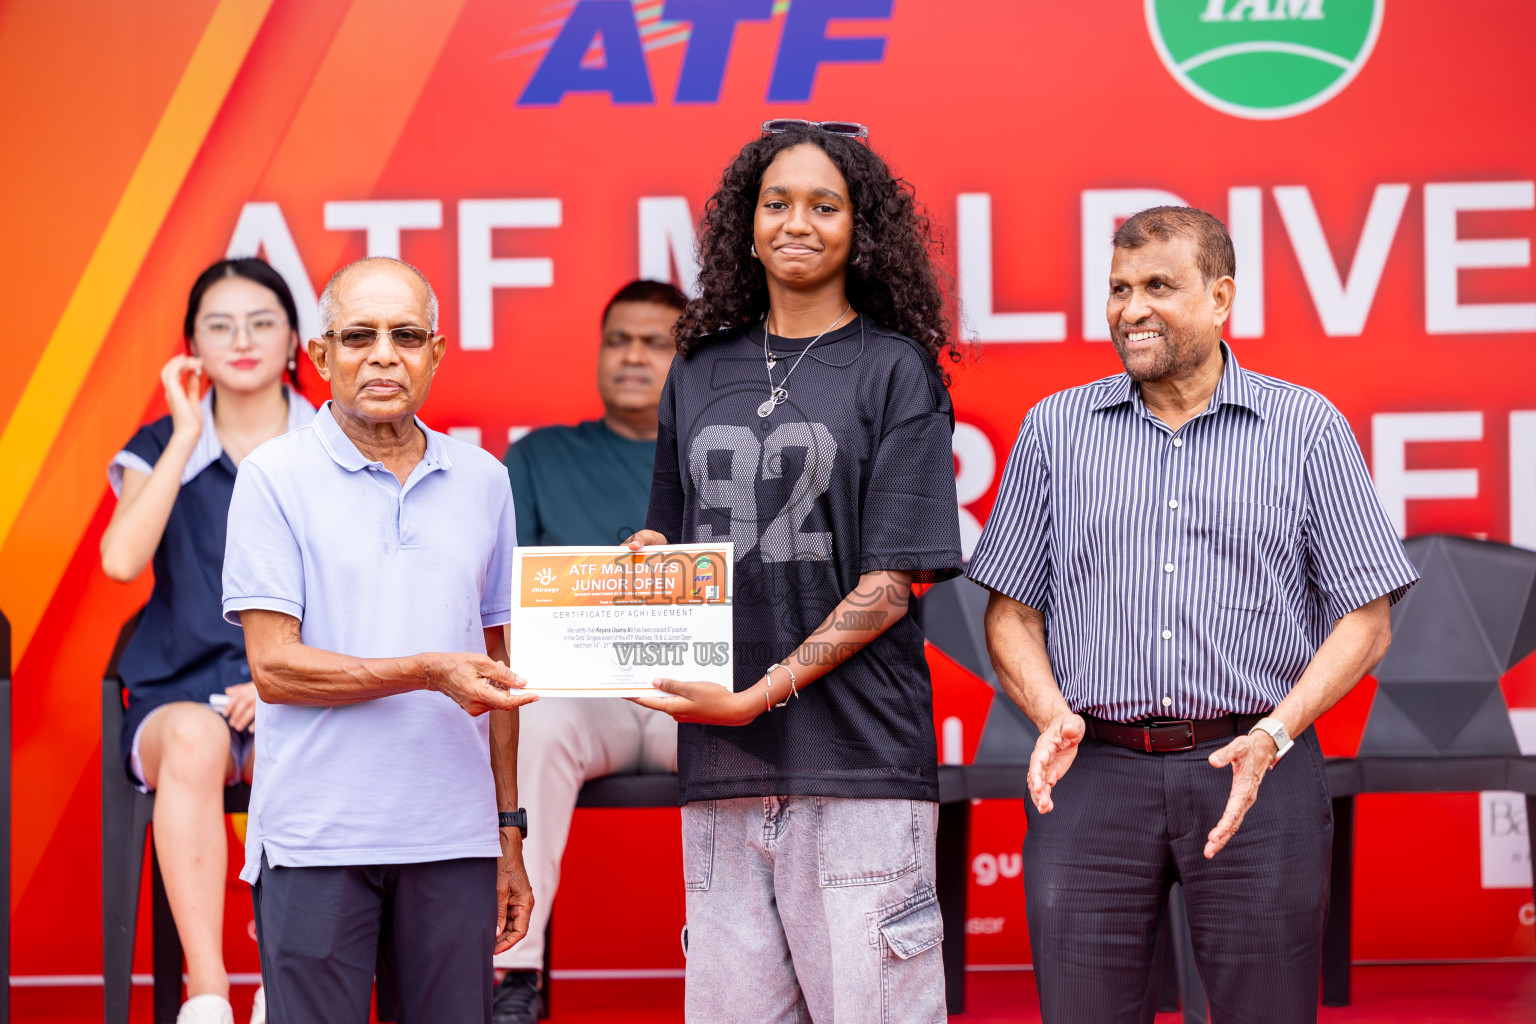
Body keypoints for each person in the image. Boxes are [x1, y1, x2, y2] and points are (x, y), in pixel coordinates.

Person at [968, 206, 1419, 1023]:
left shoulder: (1305, 429)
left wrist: (1277, 733)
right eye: (1118, 289)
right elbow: (1009, 612)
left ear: (1221, 298)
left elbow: (1368, 615)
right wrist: (1050, 713)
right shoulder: (1055, 431)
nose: (1130, 309)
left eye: (1158, 287)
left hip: (1258, 767)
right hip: (1092, 773)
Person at [625, 121, 963, 1024]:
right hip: (723, 768)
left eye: (825, 205)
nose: (797, 223)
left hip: (856, 764)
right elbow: (668, 530)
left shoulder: (897, 372)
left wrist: (759, 692)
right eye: (777, 203)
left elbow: (891, 586)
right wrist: (645, 572)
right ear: (748, 221)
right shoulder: (695, 370)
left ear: (862, 229)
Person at [222, 256, 537, 1024]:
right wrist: (427, 671)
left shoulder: (484, 480)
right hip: (317, 838)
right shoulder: (273, 476)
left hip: (456, 838)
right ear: (323, 356)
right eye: (359, 336)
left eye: (406, 335)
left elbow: (499, 668)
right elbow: (274, 668)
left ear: (436, 352)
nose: (384, 354)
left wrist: (508, 831)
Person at [101, 257, 314, 1024]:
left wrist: (282, 677)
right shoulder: (162, 441)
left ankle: (283, 988)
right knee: (193, 740)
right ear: (192, 344)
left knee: (301, 740)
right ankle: (210, 993)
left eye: (262, 321)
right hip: (179, 690)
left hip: (296, 683)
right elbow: (122, 561)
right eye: (219, 325)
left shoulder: (331, 444)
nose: (243, 339)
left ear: (295, 338)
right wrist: (187, 431)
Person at [491, 279, 686, 1022]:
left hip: (683, 696)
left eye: (655, 343)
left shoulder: (718, 454)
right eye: (617, 340)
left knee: (754, 726)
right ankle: (519, 974)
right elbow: (507, 593)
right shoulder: (540, 457)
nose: (631, 356)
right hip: (585, 698)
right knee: (531, 723)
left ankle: (755, 960)